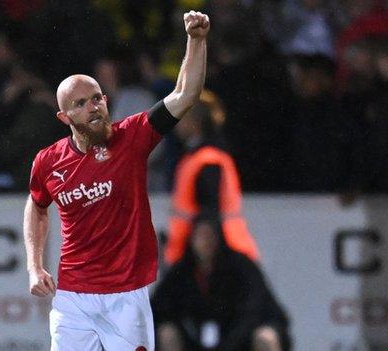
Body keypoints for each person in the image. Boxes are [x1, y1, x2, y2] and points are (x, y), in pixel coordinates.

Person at [23, 10, 210, 350]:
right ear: (65, 117)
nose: (92, 107)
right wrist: (34, 266)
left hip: (126, 295)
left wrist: (195, 40)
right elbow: (36, 206)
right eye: (80, 104)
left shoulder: (133, 136)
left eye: (96, 98)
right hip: (73, 297)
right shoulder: (48, 162)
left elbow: (185, 94)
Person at [152, 213, 290, 351]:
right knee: (167, 334)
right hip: (195, 341)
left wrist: (229, 344)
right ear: (192, 239)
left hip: (242, 338)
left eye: (210, 235)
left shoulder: (242, 267)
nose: (206, 242)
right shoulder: (182, 271)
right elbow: (160, 306)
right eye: (201, 236)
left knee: (265, 337)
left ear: (219, 238)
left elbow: (253, 310)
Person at [164, 90, 260, 265]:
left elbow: (209, 214)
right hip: (219, 252)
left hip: (217, 257)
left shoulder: (207, 159)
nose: (177, 123)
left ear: (195, 120)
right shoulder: (203, 157)